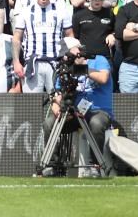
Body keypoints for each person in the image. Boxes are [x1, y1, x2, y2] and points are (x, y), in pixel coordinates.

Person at [42, 37, 113, 178]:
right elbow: (58, 93)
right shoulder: (64, 67)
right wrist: (56, 105)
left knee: (96, 123)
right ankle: (51, 165)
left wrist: (82, 68)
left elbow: (104, 78)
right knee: (49, 122)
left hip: (97, 111)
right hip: (73, 112)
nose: (66, 57)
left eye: (68, 53)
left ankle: (95, 166)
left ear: (78, 50)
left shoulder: (99, 60)